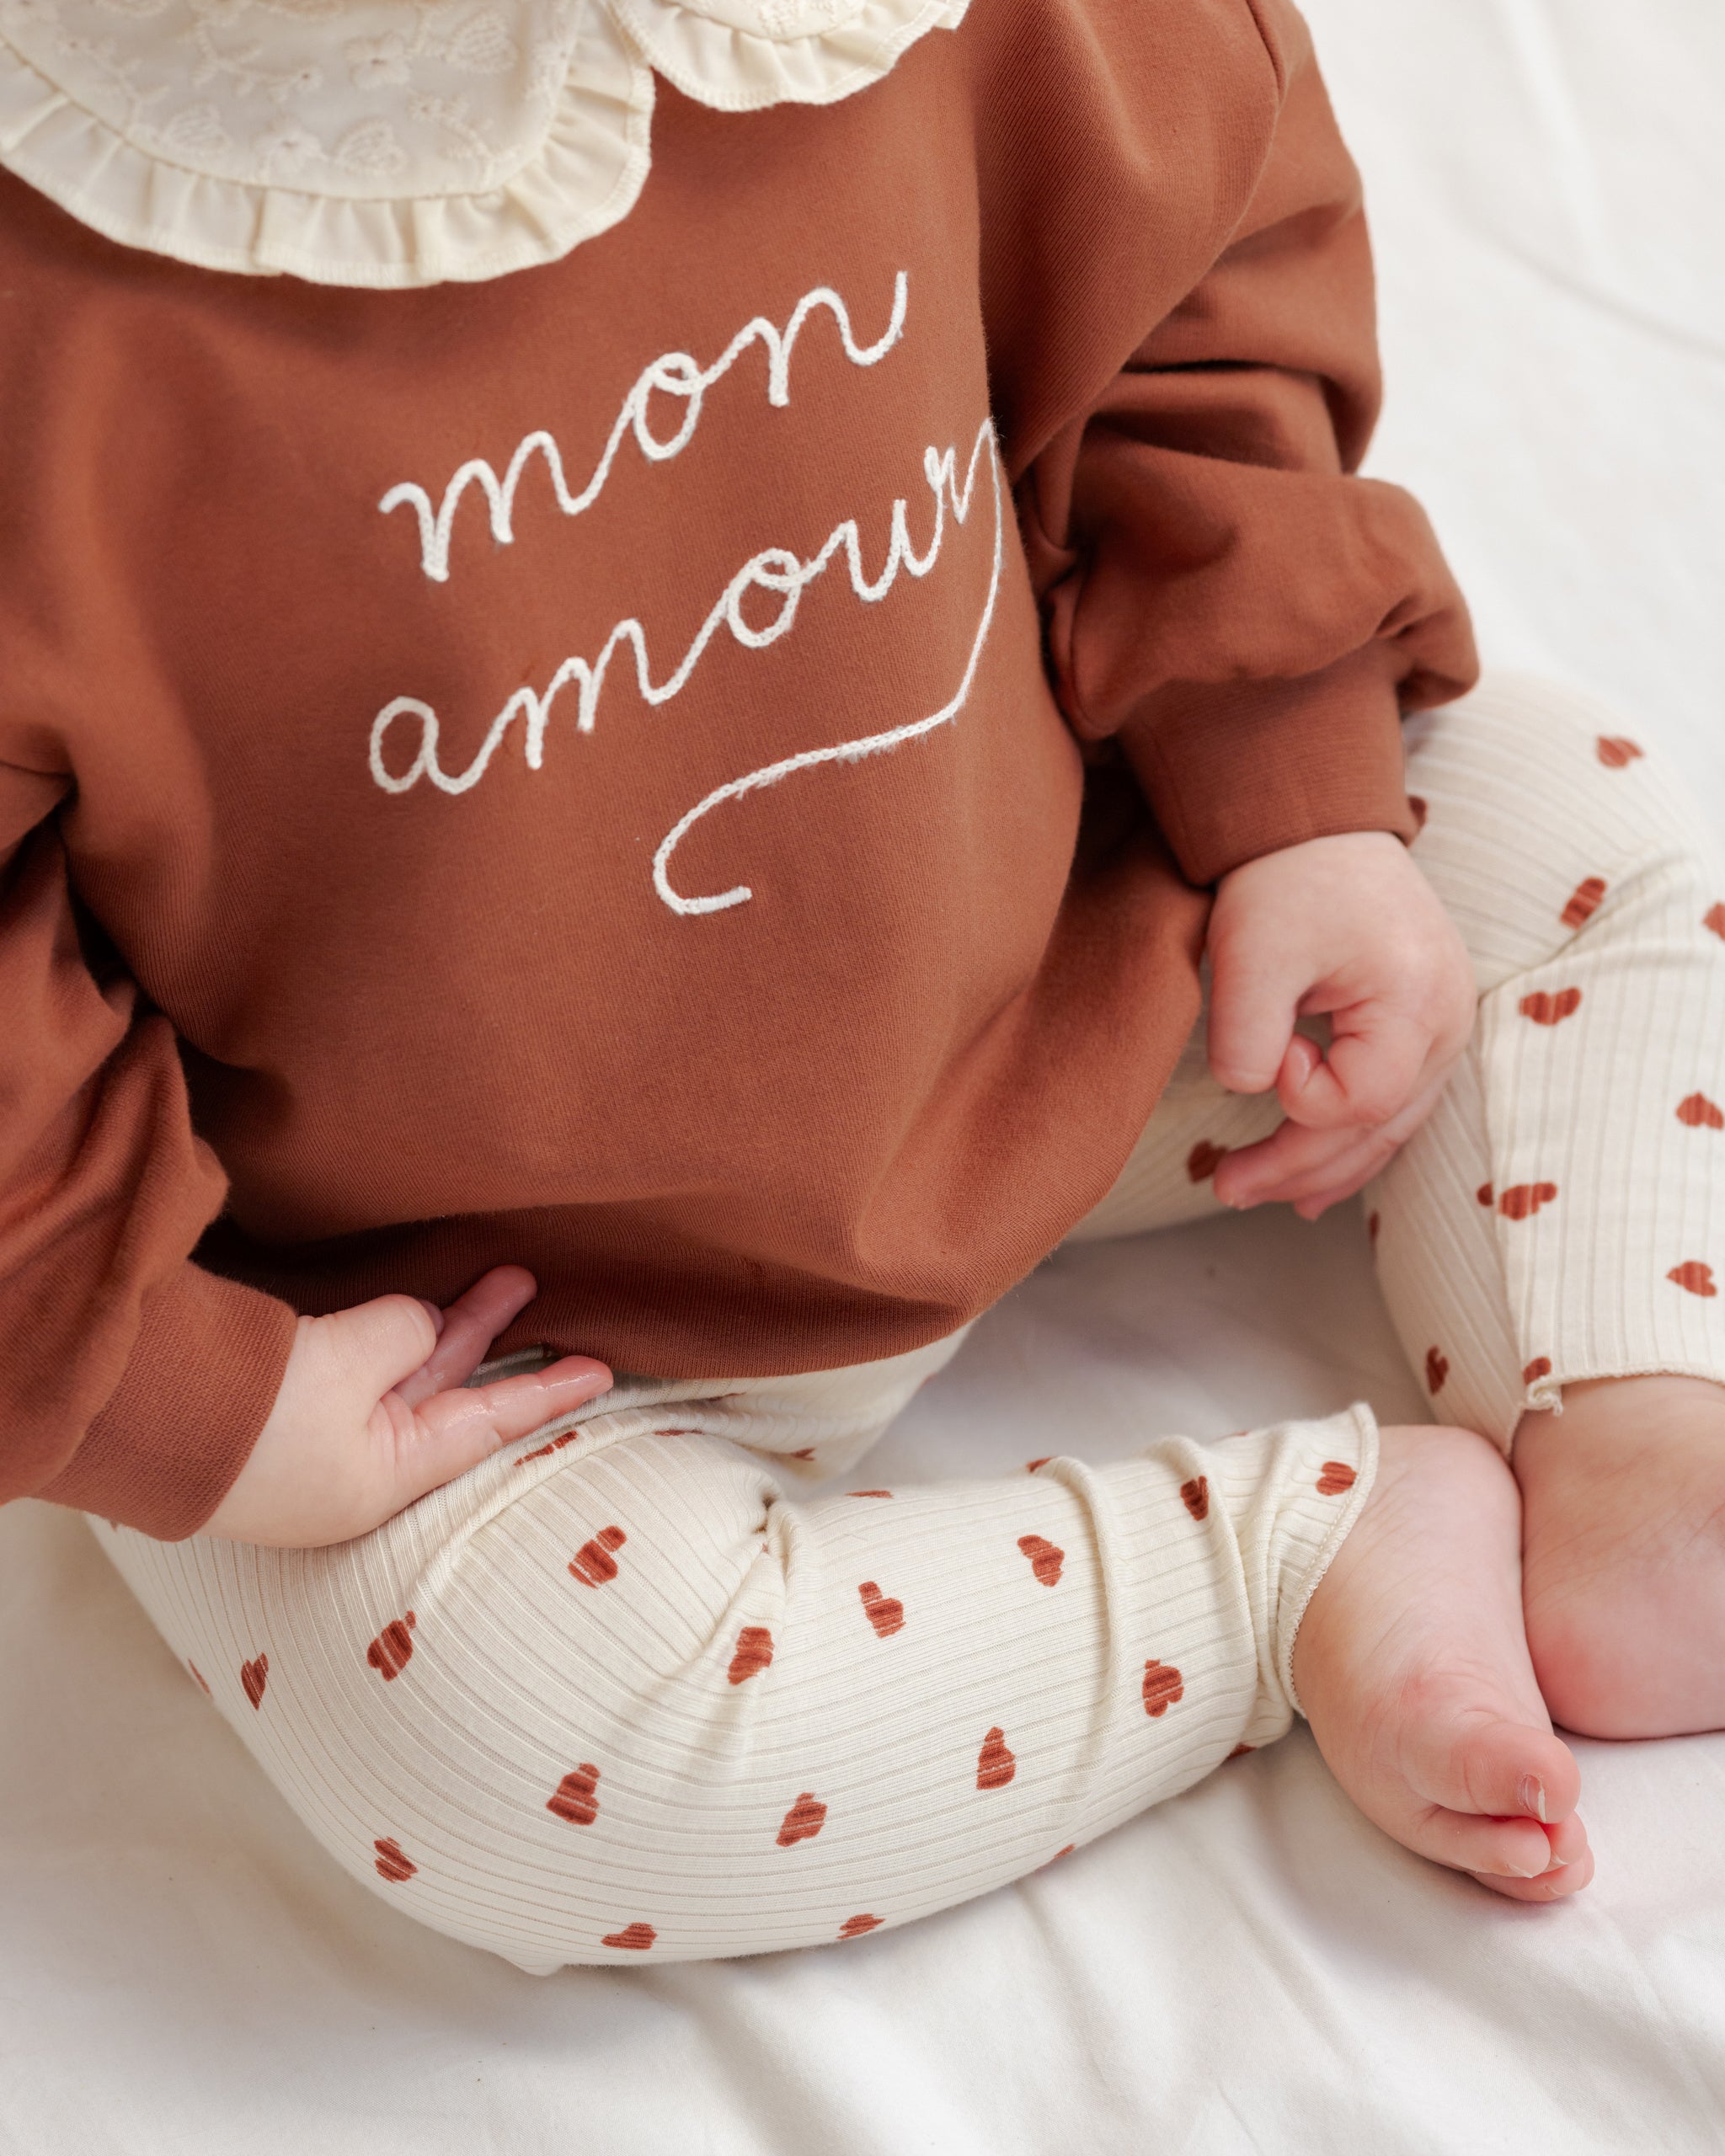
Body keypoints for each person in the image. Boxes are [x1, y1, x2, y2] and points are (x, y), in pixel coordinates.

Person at [2, 0, 1720, 1970]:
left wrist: (1286, 783)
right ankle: (1287, 1567)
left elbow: (1187, 295)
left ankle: (1631, 1415)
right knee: (495, 1742)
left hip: (1091, 961)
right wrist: (186, 1395)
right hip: (455, 1330)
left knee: (1548, 805)